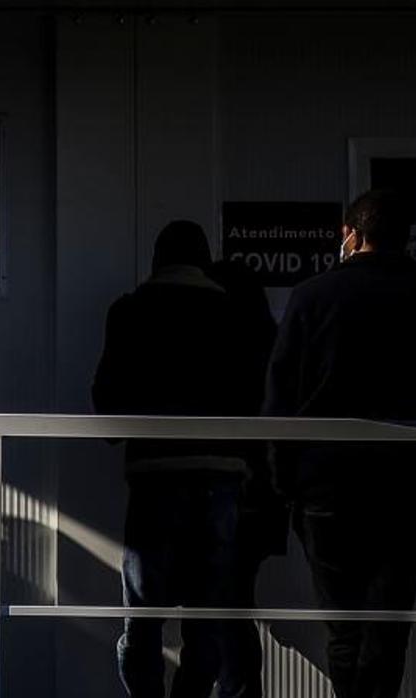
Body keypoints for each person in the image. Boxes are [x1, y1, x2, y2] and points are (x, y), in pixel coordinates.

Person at [264, 189, 416, 698]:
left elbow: (278, 401)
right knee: (387, 630)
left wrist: (287, 482)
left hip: (325, 490)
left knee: (344, 628)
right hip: (406, 493)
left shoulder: (311, 298)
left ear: (351, 235)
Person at [93, 221, 262, 698]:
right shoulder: (234, 313)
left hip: (155, 479)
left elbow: (107, 404)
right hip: (221, 477)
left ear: (157, 259)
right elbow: (253, 398)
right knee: (205, 622)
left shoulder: (130, 312)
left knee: (143, 619)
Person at [200, 259, 287, 698]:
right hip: (261, 497)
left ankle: (234, 689)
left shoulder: (219, 349)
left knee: (222, 609)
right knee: (231, 606)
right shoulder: (269, 349)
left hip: (230, 492)